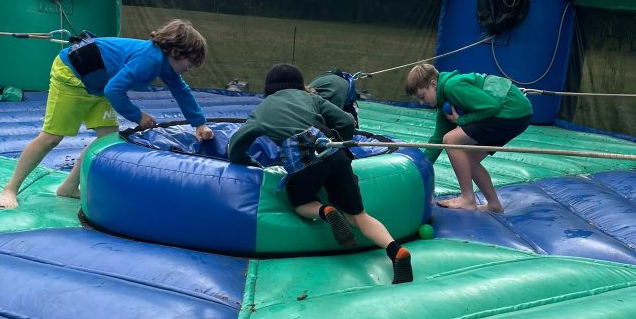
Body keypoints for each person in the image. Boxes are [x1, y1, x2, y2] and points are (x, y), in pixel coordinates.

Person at [227, 63, 413, 284]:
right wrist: (343, 145)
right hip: (334, 151)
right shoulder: (310, 98)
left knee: (300, 202)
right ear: (299, 84)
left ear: (268, 89)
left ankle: (325, 211)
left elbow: (236, 144)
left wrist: (249, 162)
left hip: (305, 159)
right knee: (358, 215)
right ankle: (395, 250)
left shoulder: (262, 110)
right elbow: (346, 120)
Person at [0, 19, 214, 209]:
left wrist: (199, 124)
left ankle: (69, 186)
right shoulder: (150, 59)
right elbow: (114, 90)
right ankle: (11, 187)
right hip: (71, 75)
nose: (190, 68)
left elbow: (182, 91)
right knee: (51, 137)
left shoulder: (166, 66)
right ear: (176, 52)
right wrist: (137, 116)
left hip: (99, 84)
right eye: (191, 62)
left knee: (107, 138)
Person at [404, 62, 532, 212]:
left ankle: (467, 198)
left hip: (511, 110)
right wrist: (418, 170)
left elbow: (490, 107)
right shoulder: (444, 103)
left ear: (433, 84)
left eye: (422, 96)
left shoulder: (452, 86)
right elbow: (436, 142)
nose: (421, 102)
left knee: (450, 140)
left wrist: (461, 120)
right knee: (468, 159)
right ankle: (494, 205)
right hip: (518, 113)